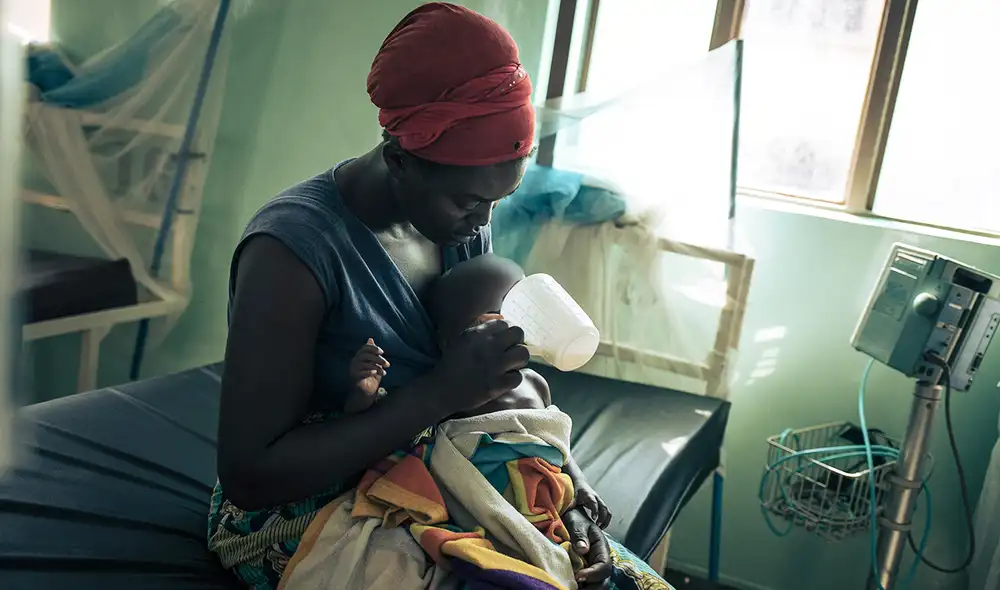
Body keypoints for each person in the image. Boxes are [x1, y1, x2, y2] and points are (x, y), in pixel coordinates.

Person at [207, 3, 673, 589]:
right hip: (304, 512)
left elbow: (494, 396)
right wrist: (443, 390)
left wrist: (565, 488)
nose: (483, 219)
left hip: (437, 467)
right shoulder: (292, 254)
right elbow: (252, 477)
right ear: (400, 160)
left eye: (497, 201)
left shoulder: (457, 223)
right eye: (470, 202)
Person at [345, 254, 612, 534]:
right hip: (483, 513)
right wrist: (362, 393)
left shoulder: (534, 382)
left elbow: (555, 441)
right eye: (500, 318)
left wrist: (580, 484)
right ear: (452, 341)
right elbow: (383, 435)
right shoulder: (449, 392)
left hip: (546, 501)